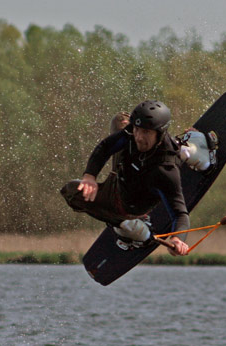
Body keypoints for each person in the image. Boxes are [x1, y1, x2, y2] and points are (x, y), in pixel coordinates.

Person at [61, 100, 190, 256]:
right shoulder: (131, 134)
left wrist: (178, 239)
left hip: (127, 205)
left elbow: (180, 214)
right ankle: (188, 148)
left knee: (72, 192)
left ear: (160, 133)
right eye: (137, 129)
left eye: (146, 132)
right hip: (118, 178)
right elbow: (105, 147)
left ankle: (131, 227)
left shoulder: (166, 170)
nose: (139, 137)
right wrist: (90, 176)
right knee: (119, 121)